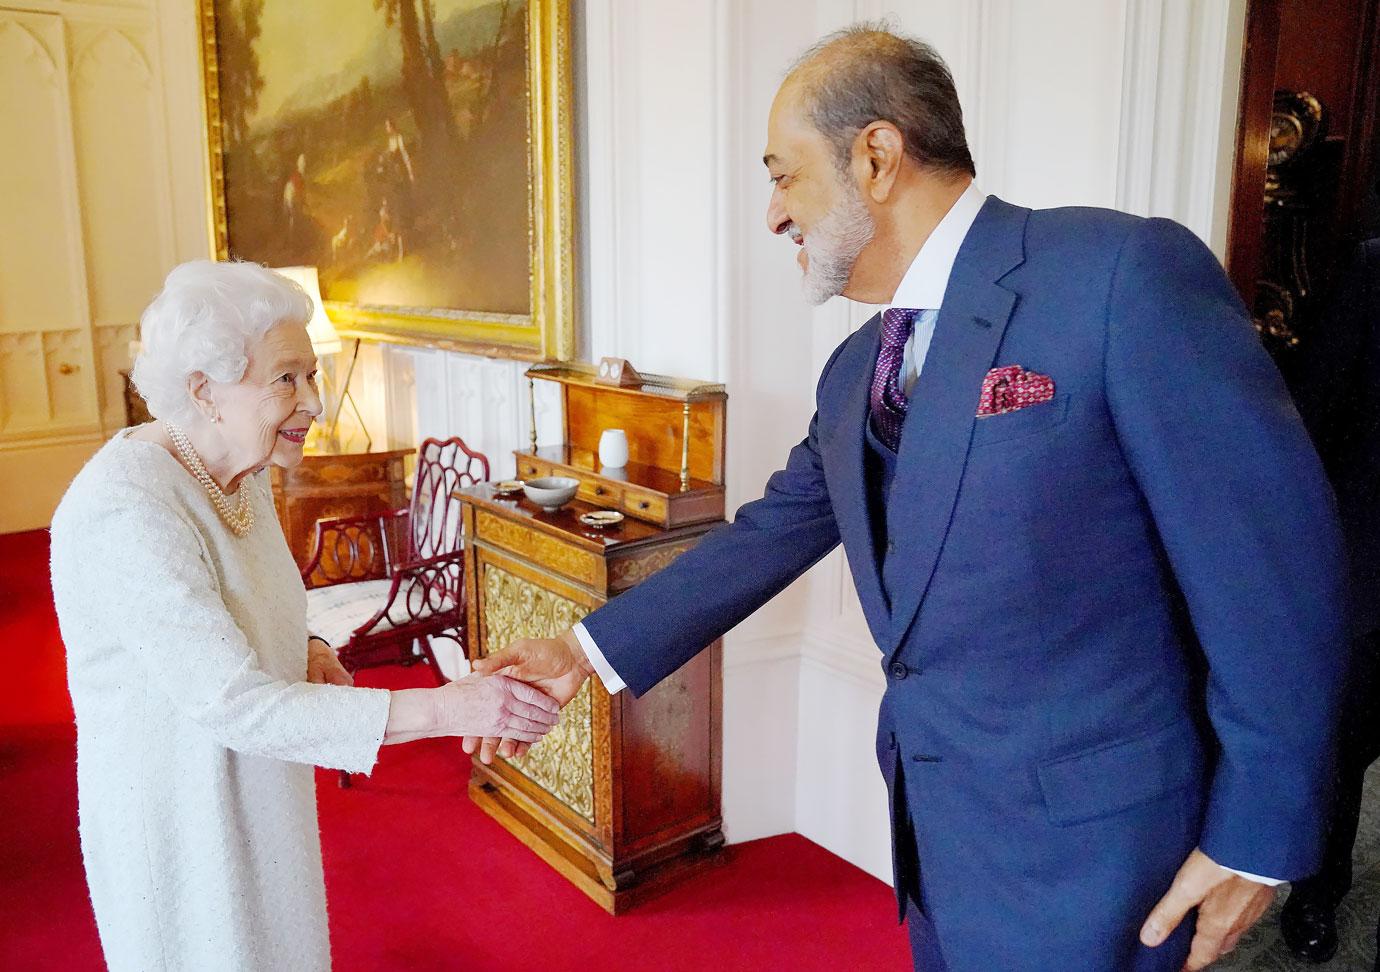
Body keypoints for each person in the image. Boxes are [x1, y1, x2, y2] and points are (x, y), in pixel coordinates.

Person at [470, 25, 1349, 972]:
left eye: (783, 175)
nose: (773, 214)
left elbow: (1272, 566)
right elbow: (769, 535)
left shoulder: (1118, 277)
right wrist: (585, 650)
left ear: (877, 158)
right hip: (935, 842)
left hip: (1102, 856)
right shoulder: (856, 372)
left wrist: (1261, 830)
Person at [48, 260, 561, 972]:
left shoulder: (238, 470)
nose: (313, 402)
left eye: (312, 376)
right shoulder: (127, 508)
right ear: (205, 391)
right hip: (179, 813)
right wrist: (445, 709)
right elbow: (231, 702)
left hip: (261, 787)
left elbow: (261, 596)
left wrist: (310, 641)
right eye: (287, 378)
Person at [1279, 235, 1380, 963]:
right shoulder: (1374, 267)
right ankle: (1319, 891)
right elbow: (1311, 410)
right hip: (1370, 565)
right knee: (1341, 746)